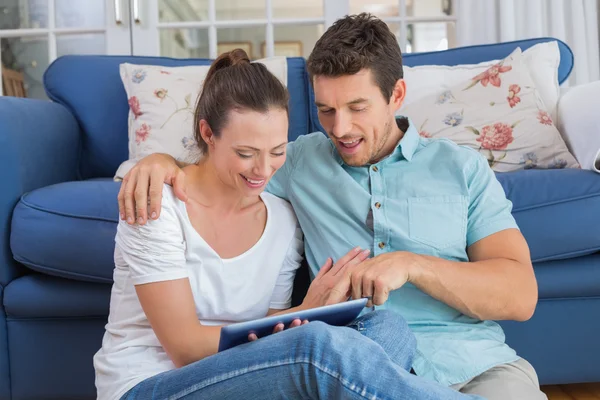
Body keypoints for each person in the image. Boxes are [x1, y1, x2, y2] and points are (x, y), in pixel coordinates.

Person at [120, 13, 548, 400]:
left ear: (396, 94)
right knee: (365, 343)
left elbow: (520, 296)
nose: (340, 129)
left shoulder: (462, 168)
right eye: (325, 110)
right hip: (354, 361)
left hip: (473, 367)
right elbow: (226, 166)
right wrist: (159, 162)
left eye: (357, 108)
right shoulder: (299, 160)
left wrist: (413, 265)